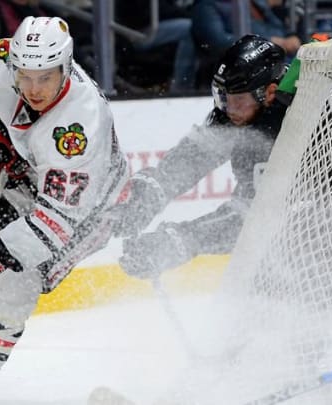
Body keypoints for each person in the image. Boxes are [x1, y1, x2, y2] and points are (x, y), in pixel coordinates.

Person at [0, 16, 128, 405]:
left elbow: (52, 226)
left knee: (12, 286)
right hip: (30, 183)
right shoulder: (2, 62)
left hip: (86, 211)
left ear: (66, 68)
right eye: (25, 76)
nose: (33, 89)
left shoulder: (79, 128)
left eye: (45, 77)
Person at [113, 34, 289, 279]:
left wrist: (180, 240)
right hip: (295, 227)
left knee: (278, 293)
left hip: (330, 225)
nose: (229, 109)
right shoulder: (244, 109)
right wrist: (153, 190)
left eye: (238, 100)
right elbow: (197, 156)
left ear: (269, 92)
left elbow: (253, 219)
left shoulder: (287, 125)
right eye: (224, 98)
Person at [190, 0, 301, 90]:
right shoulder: (206, 5)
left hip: (281, 58)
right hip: (247, 68)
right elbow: (218, 41)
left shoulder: (253, 3)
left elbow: (276, 24)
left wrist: (291, 36)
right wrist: (266, 42)